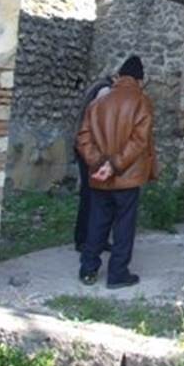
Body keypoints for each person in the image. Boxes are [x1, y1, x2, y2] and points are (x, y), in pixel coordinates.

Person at [75, 55, 157, 289]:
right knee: (123, 227)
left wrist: (99, 163)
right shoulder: (141, 102)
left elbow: (83, 138)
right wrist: (114, 165)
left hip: (99, 176)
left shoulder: (98, 102)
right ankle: (118, 274)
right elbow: (139, 141)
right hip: (127, 176)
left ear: (119, 76)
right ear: (139, 80)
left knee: (97, 222)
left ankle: (88, 270)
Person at [73, 73, 114, 252]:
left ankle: (95, 238)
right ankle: (84, 239)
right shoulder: (105, 91)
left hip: (88, 148)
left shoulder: (99, 88)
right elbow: (100, 123)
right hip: (91, 150)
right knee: (92, 197)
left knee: (94, 196)